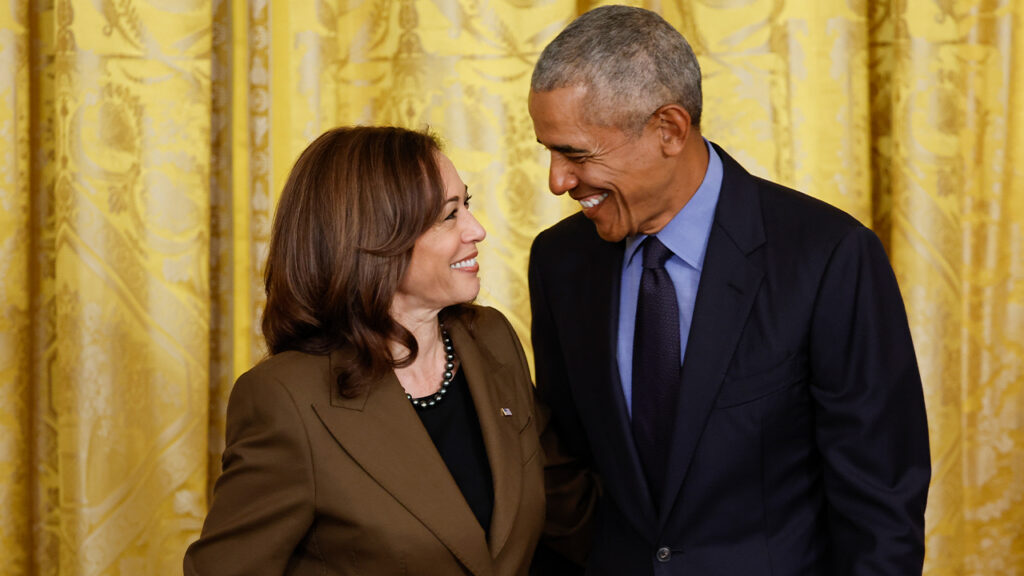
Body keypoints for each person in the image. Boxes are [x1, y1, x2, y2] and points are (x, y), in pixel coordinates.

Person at [527, 6, 931, 575]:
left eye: (575, 153)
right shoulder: (559, 260)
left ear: (669, 129)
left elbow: (880, 504)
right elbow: (567, 468)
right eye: (548, 150)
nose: (557, 181)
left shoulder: (829, 256)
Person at [184, 126, 546, 575]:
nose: (477, 230)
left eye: (465, 205)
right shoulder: (285, 399)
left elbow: (557, 519)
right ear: (374, 239)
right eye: (449, 215)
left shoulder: (491, 338)